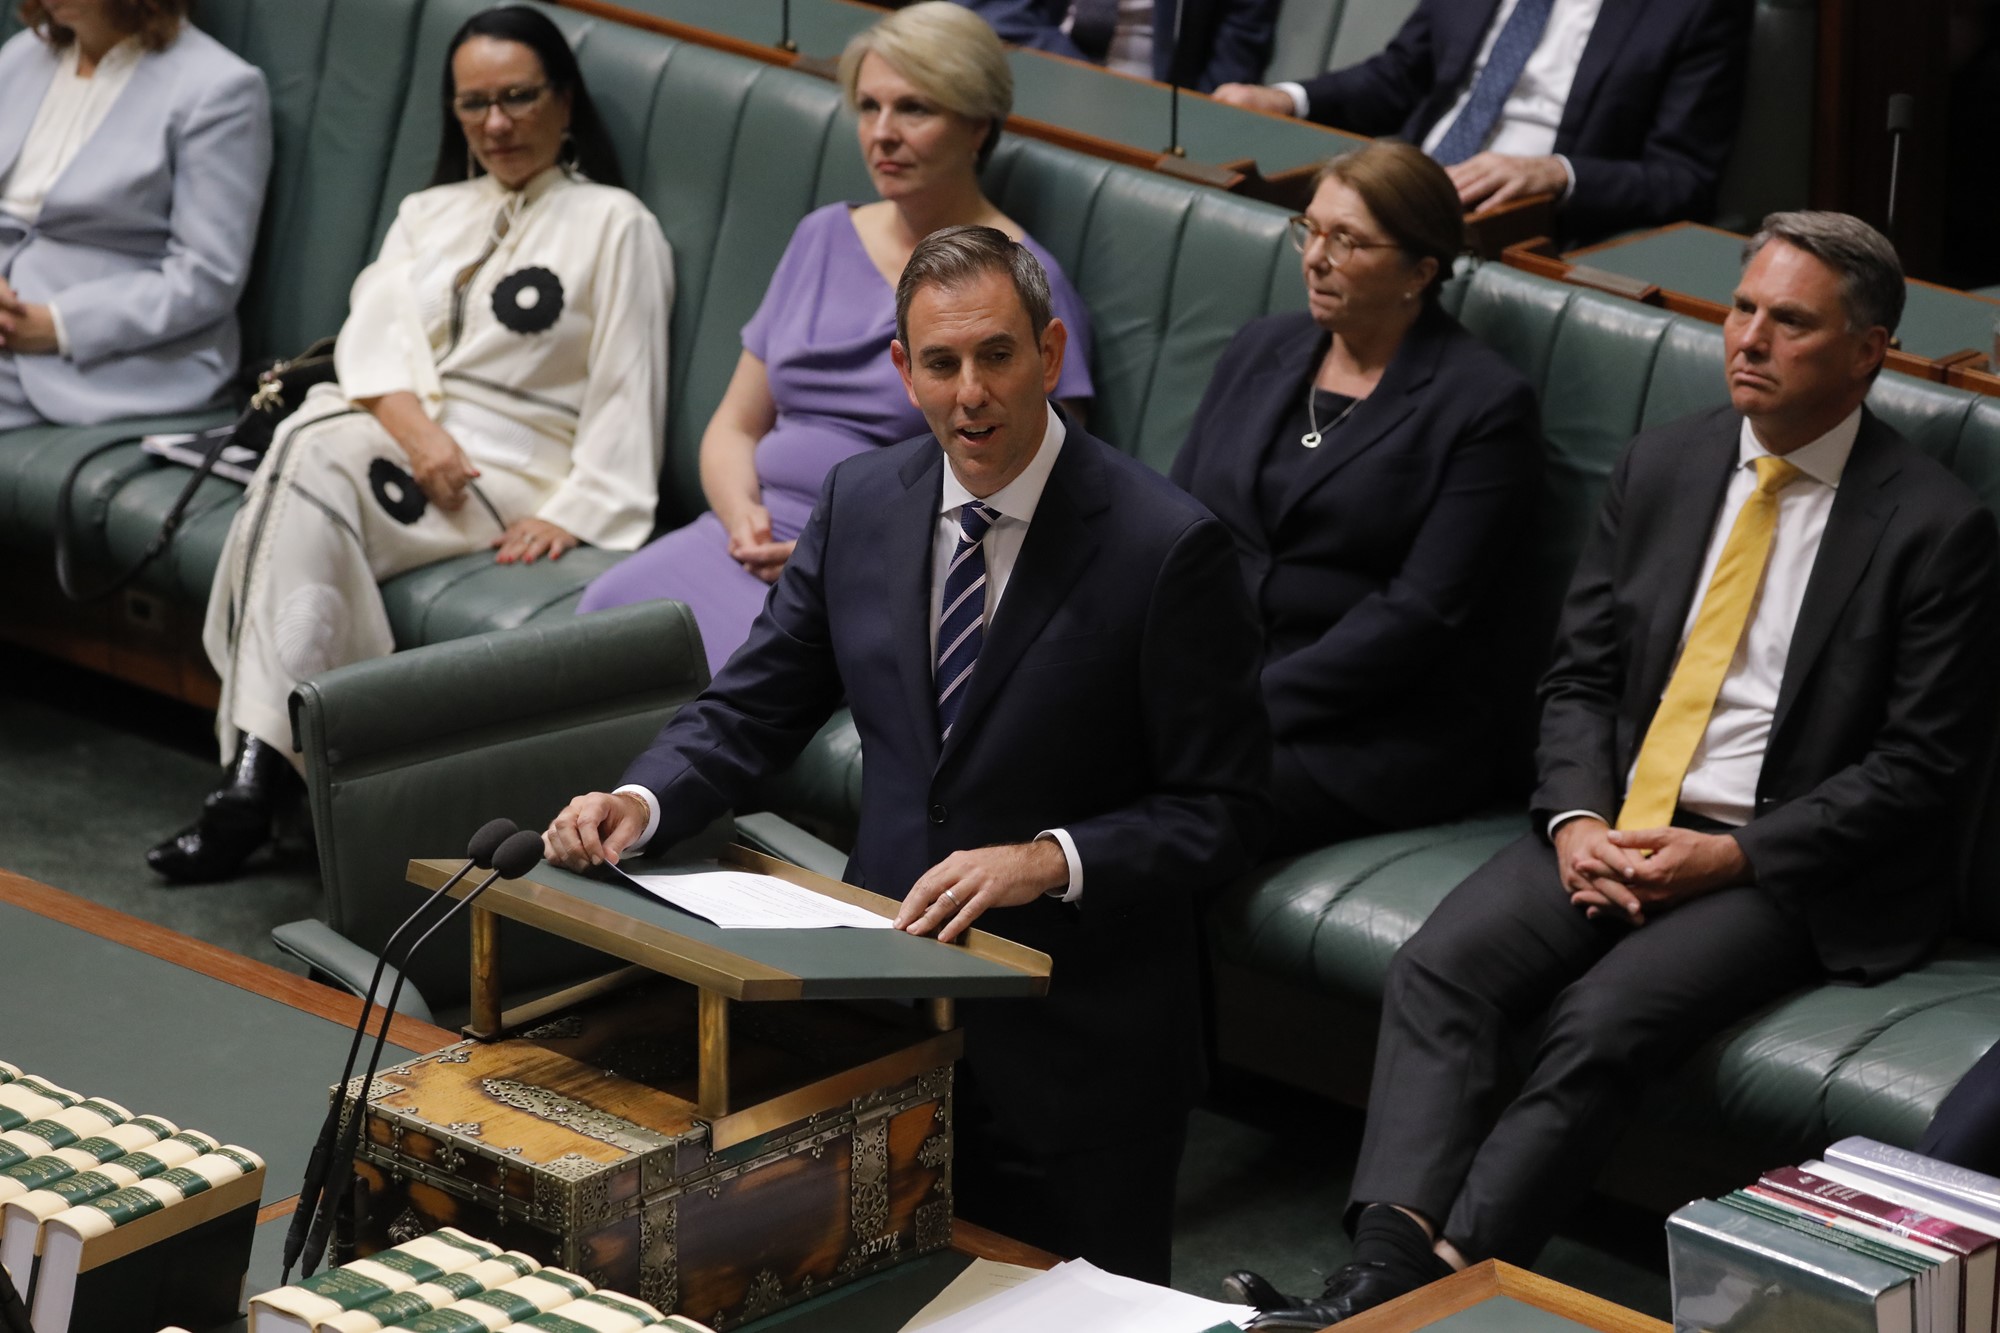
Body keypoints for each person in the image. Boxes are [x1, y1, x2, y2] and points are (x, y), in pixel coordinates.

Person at [1227, 211, 2000, 1328]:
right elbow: (1578, 676)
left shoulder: (1932, 527)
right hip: (1615, 819)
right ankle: (1388, 1280)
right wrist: (1576, 819)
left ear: (1867, 351)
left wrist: (1724, 854)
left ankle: (1427, 1289)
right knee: (1441, 967)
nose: (1749, 338)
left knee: (1597, 1023)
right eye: (1743, 309)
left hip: (1774, 866)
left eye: (1790, 322)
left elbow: (1916, 772)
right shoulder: (1666, 462)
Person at [544, 226, 1269, 1283]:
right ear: (903, 370)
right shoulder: (858, 502)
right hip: (878, 1015)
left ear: (1050, 354)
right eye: (940, 363)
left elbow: (1227, 807)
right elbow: (753, 705)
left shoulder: (1165, 548)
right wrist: (640, 798)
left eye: (995, 356)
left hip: (1078, 1048)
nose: (969, 392)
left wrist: (1048, 857)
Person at [147, 6, 673, 883]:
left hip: (507, 471)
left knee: (307, 450)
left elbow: (630, 384)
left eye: (517, 98)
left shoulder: (617, 224)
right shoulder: (428, 211)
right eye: (473, 104)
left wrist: (577, 507)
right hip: (394, 442)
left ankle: (255, 775)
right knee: (311, 447)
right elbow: (372, 342)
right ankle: (280, 780)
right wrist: (419, 434)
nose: (495, 123)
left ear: (564, 100)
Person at [576, 1, 1092, 677]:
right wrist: (741, 519)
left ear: (976, 126)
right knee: (602, 619)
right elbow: (734, 426)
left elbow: (1039, 490)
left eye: (914, 109)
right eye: (869, 107)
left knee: (723, 686)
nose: (882, 134)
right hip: (744, 540)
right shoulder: (822, 235)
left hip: (884, 568)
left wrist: (840, 548)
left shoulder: (1021, 281)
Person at [1171, 143, 1538, 852]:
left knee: (1158, 803)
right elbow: (1176, 525)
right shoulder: (1261, 347)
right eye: (1310, 230)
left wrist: (1240, 705)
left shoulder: (1483, 405)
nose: (1314, 257)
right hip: (1213, 689)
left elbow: (1421, 615)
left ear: (1420, 272)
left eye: (1347, 241)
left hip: (1368, 732)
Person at [1211, 0, 1749, 244]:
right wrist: (1287, 98)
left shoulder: (1697, 9)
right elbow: (1399, 76)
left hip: (1533, 225)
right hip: (1407, 186)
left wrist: (1557, 175)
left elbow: (1684, 177)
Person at [0, 0, 270, 429]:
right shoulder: (20, 57)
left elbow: (207, 275)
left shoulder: (218, 88)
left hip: (107, 354)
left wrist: (58, 326)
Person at [951, 0, 1277, 92]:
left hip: (1155, 123)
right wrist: (1089, 86)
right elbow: (988, 12)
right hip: (1034, 87)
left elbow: (1231, 69)